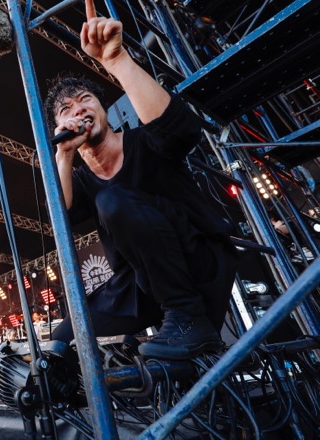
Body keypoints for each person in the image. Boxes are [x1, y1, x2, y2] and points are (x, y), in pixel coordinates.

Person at [45, 0, 237, 360]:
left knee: (112, 200)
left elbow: (182, 130)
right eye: (66, 110)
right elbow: (60, 220)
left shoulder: (143, 141)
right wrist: (63, 156)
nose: (78, 109)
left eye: (85, 100)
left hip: (195, 259)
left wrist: (116, 60)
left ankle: (187, 316)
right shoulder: (81, 178)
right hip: (140, 283)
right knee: (62, 340)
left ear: (103, 111)